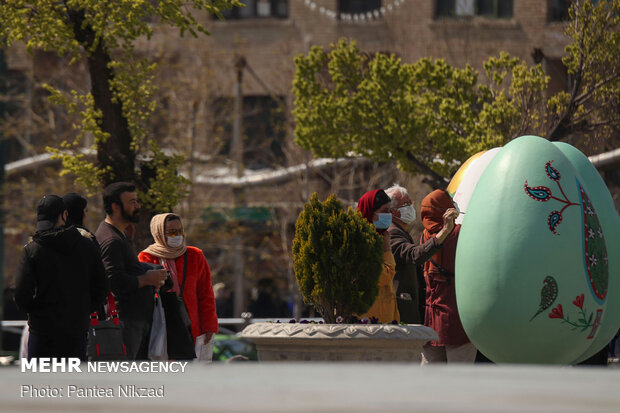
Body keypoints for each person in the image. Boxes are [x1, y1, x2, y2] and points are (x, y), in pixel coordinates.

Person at [14, 195, 107, 360]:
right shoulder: (87, 246)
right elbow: (101, 288)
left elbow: (21, 293)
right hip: (76, 330)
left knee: (38, 384)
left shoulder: (32, 250)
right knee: (73, 384)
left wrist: (36, 311)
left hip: (42, 331)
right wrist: (83, 309)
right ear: (64, 215)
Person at [95, 182, 168, 360]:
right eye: (132, 202)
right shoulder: (112, 240)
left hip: (133, 321)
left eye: (137, 201)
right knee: (124, 376)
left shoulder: (120, 234)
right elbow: (113, 280)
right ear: (115, 206)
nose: (138, 206)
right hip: (125, 322)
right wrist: (147, 279)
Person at [138, 213, 219, 361]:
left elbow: (206, 293)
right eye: (171, 232)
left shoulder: (195, 255)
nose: (177, 236)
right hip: (162, 325)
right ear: (159, 233)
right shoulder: (146, 257)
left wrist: (209, 326)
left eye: (180, 231)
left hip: (191, 325)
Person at [385, 184, 457, 324]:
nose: (411, 207)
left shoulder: (401, 230)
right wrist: (444, 232)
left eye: (410, 203)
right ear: (393, 211)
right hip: (403, 309)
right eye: (405, 204)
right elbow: (414, 255)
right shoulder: (393, 232)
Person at [420, 189, 476, 364]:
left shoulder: (425, 237)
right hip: (457, 319)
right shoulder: (458, 233)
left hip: (432, 319)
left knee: (430, 382)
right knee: (460, 380)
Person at [356, 189, 399, 324]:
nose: (389, 215)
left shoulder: (379, 238)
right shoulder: (360, 242)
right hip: (368, 324)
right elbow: (383, 277)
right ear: (370, 212)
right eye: (384, 211)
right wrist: (387, 249)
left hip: (385, 321)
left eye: (389, 211)